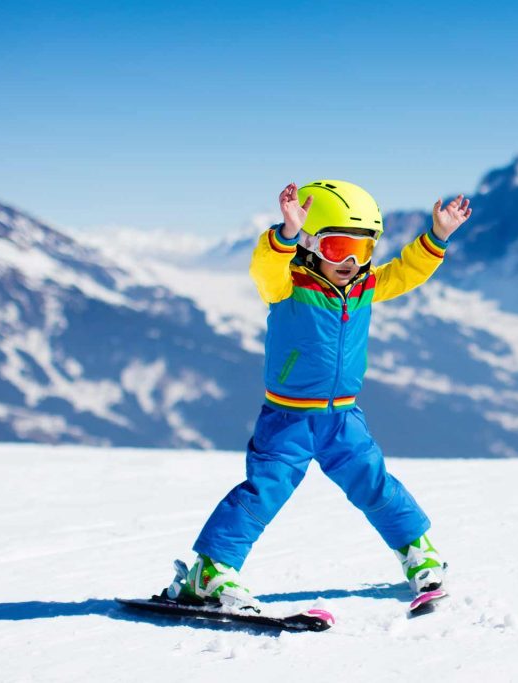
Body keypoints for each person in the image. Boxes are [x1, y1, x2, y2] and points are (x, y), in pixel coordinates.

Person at [166, 179, 472, 610]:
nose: (350, 261)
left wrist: (437, 237)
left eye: (363, 250)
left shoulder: (365, 287)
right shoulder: (288, 286)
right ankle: (210, 571)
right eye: (337, 247)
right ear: (311, 245)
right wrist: (285, 234)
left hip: (343, 419)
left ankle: (418, 554)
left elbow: (405, 272)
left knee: (375, 484)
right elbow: (264, 269)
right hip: (288, 420)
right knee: (263, 492)